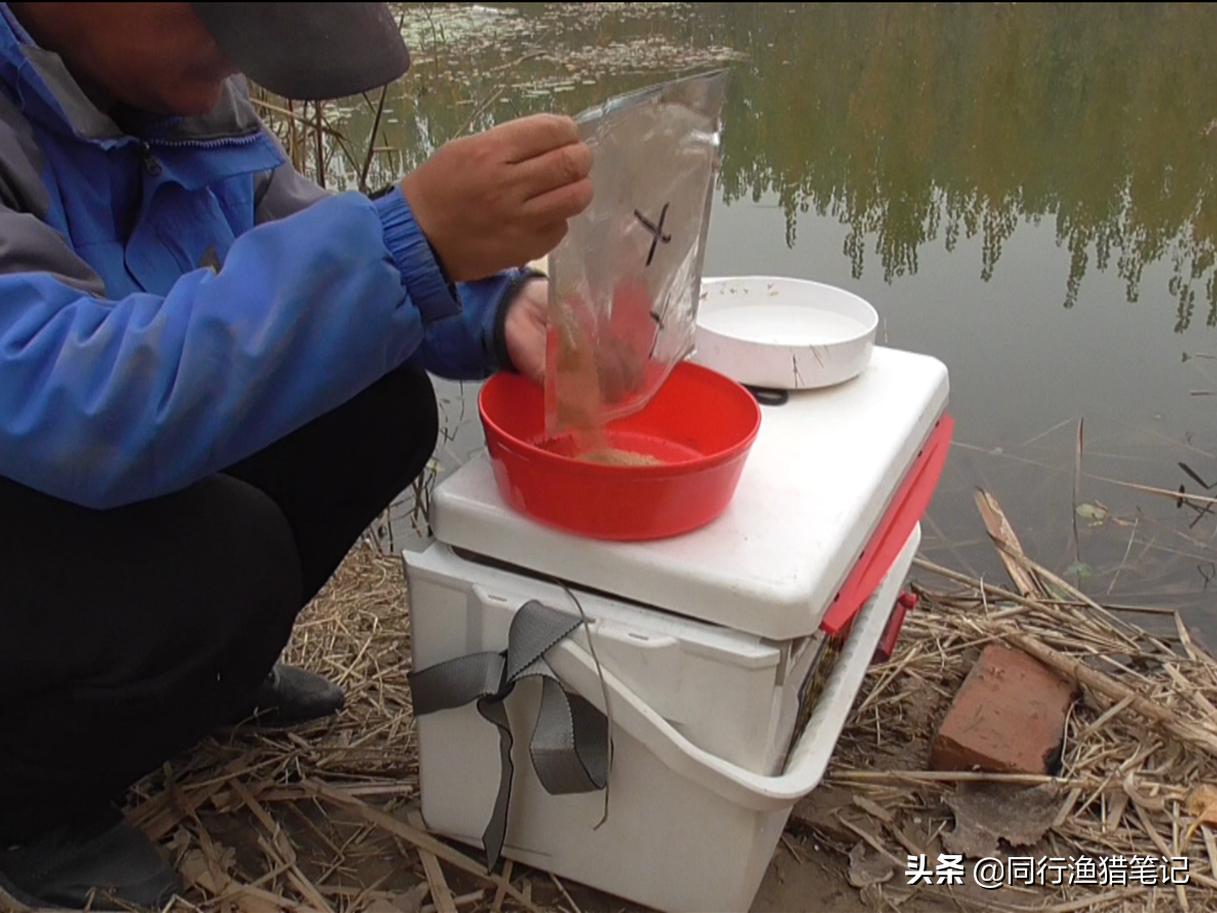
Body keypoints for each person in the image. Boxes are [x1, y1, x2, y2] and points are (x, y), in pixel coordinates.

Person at [0, 3, 592, 908]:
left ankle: (197, 687)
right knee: (220, 558)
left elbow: (295, 248)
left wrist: (494, 305)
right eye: (223, 22)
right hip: (43, 461)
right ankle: (28, 803)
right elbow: (73, 397)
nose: (241, 61)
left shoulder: (172, 89)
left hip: (65, 472)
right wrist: (410, 238)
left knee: (378, 400)